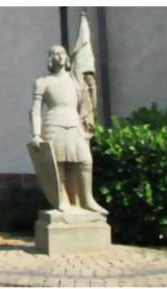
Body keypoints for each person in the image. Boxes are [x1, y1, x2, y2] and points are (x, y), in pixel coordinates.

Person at [30, 45, 107, 214]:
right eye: (57, 53)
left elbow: (84, 104)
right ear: (51, 58)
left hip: (74, 123)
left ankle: (87, 199)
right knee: (58, 165)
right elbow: (36, 110)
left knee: (85, 161)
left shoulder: (75, 81)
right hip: (53, 124)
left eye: (63, 53)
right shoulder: (42, 82)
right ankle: (62, 199)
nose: (61, 56)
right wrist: (36, 133)